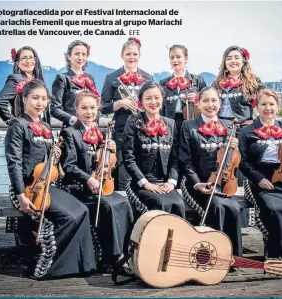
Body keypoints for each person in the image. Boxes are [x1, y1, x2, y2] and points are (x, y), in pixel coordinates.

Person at [5, 79, 96, 279]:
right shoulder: (17, 125)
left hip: (46, 183)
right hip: (26, 188)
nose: (40, 103)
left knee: (81, 211)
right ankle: (50, 265)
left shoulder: (45, 125)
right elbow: (14, 163)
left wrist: (55, 153)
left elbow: (48, 163)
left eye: (44, 99)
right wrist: (20, 194)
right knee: (68, 217)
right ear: (25, 98)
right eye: (35, 98)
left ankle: (80, 265)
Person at [60, 90, 134, 274]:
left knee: (124, 202)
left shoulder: (101, 133)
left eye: (92, 108)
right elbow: (68, 166)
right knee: (109, 207)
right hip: (79, 188)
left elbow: (111, 165)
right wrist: (88, 178)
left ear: (98, 109)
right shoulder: (70, 133)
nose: (89, 112)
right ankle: (113, 258)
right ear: (76, 110)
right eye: (84, 108)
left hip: (101, 185)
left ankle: (127, 253)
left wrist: (113, 152)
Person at [238, 89, 282, 267]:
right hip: (258, 178)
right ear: (256, 107)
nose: (268, 108)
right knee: (272, 208)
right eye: (263, 104)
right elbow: (243, 162)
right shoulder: (247, 131)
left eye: (271, 104)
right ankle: (276, 254)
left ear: (277, 106)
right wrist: (259, 179)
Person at [179, 86, 242, 256]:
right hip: (198, 183)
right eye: (205, 100)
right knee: (218, 206)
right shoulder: (188, 126)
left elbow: (235, 160)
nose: (210, 104)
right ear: (197, 104)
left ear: (220, 104)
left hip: (223, 183)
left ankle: (233, 256)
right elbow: (186, 161)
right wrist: (197, 183)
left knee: (234, 207)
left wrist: (235, 148)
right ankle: (215, 254)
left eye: (214, 100)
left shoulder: (229, 126)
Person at [122, 82, 185, 218]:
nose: (153, 102)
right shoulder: (133, 121)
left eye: (157, 97)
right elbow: (129, 158)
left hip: (164, 182)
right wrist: (146, 184)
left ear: (162, 100)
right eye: (148, 98)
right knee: (160, 204)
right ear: (141, 102)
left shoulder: (171, 123)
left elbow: (175, 158)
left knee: (178, 204)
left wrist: (172, 182)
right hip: (141, 182)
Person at [101, 37, 153, 191]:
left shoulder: (148, 77)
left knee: (141, 162)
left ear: (139, 56)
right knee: (122, 165)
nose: (132, 57)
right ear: (122, 55)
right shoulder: (112, 77)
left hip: (142, 127)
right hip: (121, 128)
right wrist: (119, 103)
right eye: (128, 54)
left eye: (135, 54)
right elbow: (103, 107)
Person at [0, 46, 50, 124]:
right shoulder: (16, 79)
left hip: (41, 129)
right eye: (24, 58)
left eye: (31, 57)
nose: (28, 61)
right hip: (25, 131)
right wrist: (15, 123)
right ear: (18, 63)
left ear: (35, 61)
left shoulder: (39, 81)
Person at [160, 44, 206, 134]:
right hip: (170, 122)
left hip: (192, 121)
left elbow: (207, 101)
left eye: (178, 57)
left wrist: (197, 99)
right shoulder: (163, 83)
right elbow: (161, 108)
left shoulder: (197, 80)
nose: (175, 60)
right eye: (172, 57)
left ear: (186, 58)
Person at [212, 45, 264, 125]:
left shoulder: (254, 82)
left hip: (243, 128)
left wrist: (255, 121)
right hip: (219, 128)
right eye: (229, 58)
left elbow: (266, 101)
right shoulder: (216, 84)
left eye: (236, 58)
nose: (233, 61)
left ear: (243, 61)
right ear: (225, 63)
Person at [51, 40, 98, 127]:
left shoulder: (90, 78)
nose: (80, 57)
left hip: (90, 130)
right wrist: (72, 119)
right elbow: (54, 109)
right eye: (77, 54)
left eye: (83, 54)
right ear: (69, 56)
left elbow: (96, 104)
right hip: (71, 129)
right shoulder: (62, 78)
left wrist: (95, 122)